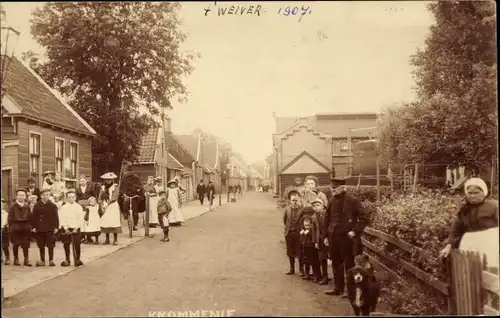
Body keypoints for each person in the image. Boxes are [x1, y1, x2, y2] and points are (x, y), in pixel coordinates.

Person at [323, 177, 368, 297]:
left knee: (349, 264)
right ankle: (338, 288)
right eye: (331, 188)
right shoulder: (331, 200)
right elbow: (327, 219)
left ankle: (350, 290)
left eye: (334, 188)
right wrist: (325, 236)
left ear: (343, 188)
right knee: (336, 263)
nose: (332, 190)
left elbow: (364, 218)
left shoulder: (353, 200)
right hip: (333, 237)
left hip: (346, 238)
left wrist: (355, 231)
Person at [439, 177, 499, 261]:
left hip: (491, 249)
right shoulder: (464, 210)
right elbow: (455, 231)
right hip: (470, 249)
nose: (473, 196)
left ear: (484, 192)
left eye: (476, 193)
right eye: (470, 193)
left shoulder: (494, 206)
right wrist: (448, 246)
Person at [31, 188, 59, 267]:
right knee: (41, 245)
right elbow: (34, 217)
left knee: (51, 245)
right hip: (39, 229)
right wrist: (33, 227)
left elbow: (56, 217)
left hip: (49, 228)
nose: (45, 196)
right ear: (40, 196)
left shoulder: (53, 206)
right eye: (43, 195)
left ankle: (51, 260)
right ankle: (42, 260)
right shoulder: (36, 205)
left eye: (47, 195)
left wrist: (56, 227)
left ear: (49, 195)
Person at [58, 189, 84, 266]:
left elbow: (80, 219)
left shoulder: (79, 207)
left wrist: (76, 227)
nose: (71, 199)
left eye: (73, 197)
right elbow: (61, 218)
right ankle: (67, 259)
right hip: (67, 228)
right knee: (66, 244)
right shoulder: (63, 207)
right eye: (69, 197)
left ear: (75, 197)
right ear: (67, 198)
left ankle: (77, 259)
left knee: (77, 244)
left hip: (76, 228)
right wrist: (66, 228)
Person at [8, 189, 33, 266]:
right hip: (16, 226)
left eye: (23, 195)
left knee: (26, 244)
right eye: (19, 195)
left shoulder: (27, 206)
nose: (21, 197)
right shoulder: (12, 206)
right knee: (16, 243)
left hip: (25, 226)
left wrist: (29, 226)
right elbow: (10, 218)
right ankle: (16, 258)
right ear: (16, 196)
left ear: (25, 197)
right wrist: (12, 227)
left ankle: (26, 259)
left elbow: (30, 217)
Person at [283, 189, 304, 276]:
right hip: (289, 233)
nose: (294, 202)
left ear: (299, 200)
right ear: (290, 201)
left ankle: (301, 270)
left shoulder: (302, 210)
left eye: (296, 200)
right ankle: (292, 269)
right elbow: (285, 220)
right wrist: (287, 230)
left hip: (298, 234)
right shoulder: (287, 209)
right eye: (293, 200)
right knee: (290, 251)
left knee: (300, 252)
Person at [99, 172, 122, 245]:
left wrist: (108, 203)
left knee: (113, 221)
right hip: (105, 205)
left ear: (112, 180)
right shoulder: (103, 187)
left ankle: (115, 239)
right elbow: (100, 196)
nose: (108, 181)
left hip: (113, 205)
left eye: (109, 180)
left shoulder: (115, 186)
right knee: (106, 221)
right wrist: (100, 202)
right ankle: (107, 239)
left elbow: (114, 197)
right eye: (106, 180)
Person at [311, 197, 330, 285]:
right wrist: (315, 241)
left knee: (329, 257)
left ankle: (328, 276)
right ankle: (324, 276)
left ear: (322, 206)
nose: (316, 207)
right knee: (322, 258)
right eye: (314, 206)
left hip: (327, 239)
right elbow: (314, 230)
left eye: (318, 205)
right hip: (320, 240)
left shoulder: (326, 214)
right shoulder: (314, 217)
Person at [300, 214, 321, 282]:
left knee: (314, 261)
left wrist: (308, 232)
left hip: (311, 247)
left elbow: (313, 236)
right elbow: (301, 239)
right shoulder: (304, 230)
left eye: (308, 225)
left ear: (311, 225)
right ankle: (307, 274)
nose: (307, 227)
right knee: (306, 260)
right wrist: (303, 232)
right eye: (305, 225)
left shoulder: (312, 231)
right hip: (305, 246)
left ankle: (316, 275)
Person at [2, 198, 11, 265]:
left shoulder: (5, 213)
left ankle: (7, 258)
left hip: (3, 230)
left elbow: (7, 222)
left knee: (5, 245)